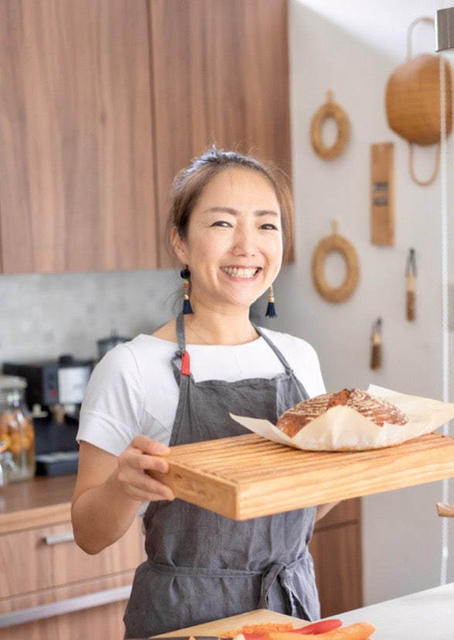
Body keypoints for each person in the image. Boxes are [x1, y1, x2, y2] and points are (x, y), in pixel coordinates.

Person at [71, 148, 335, 639]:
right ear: (180, 242)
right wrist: (123, 487)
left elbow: (309, 505)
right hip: (186, 618)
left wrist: (353, 457)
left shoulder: (299, 358)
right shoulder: (132, 367)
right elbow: (88, 535)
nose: (247, 246)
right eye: (221, 224)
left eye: (266, 225)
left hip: (291, 612)